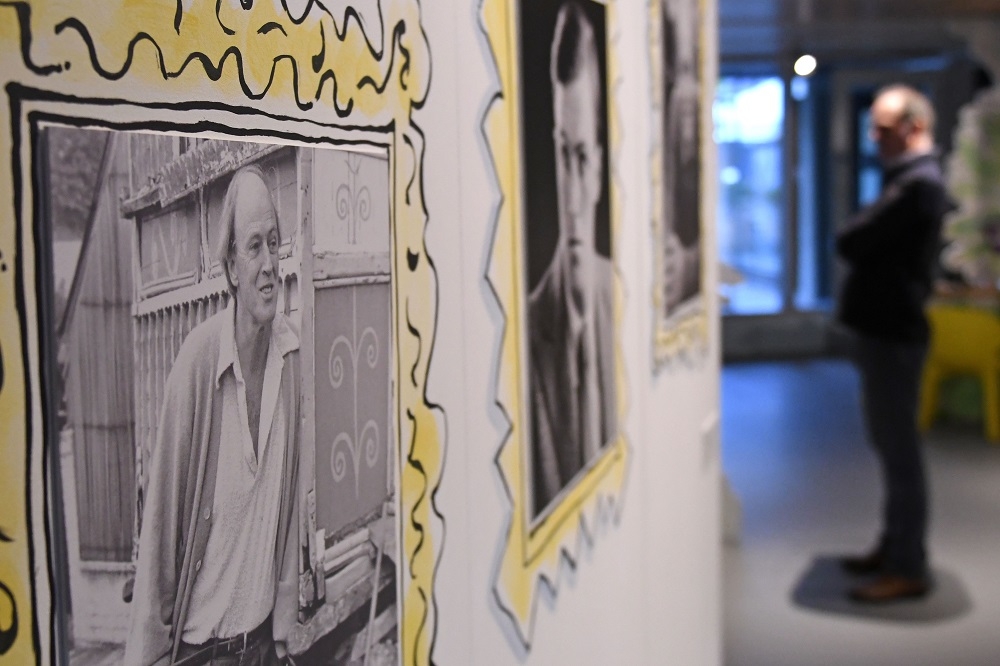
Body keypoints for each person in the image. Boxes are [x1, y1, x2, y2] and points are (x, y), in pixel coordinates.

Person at [125, 166, 301, 664]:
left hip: (263, 646)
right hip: (202, 653)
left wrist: (285, 620)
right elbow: (160, 526)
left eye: (274, 242)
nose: (269, 263)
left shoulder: (292, 358)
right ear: (229, 267)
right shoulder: (199, 363)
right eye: (253, 247)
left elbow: (287, 513)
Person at [836, 84, 952, 603]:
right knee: (891, 450)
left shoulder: (918, 186)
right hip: (888, 333)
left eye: (884, 130)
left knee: (900, 453)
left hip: (895, 335)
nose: (875, 140)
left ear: (915, 128)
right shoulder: (905, 182)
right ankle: (896, 547)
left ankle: (908, 565)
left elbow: (854, 239)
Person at [529, 1, 616, 515]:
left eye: (583, 156)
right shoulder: (530, 328)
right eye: (563, 154)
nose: (575, 190)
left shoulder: (617, 294)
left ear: (601, 167)